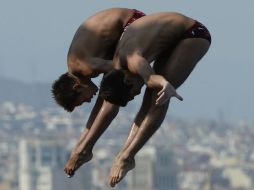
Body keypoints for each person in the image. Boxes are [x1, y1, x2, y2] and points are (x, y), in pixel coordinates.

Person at [99, 12, 211, 187]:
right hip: (172, 37)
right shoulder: (117, 67)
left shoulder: (133, 61)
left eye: (132, 93)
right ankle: (124, 154)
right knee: (151, 94)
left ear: (127, 80)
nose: (136, 94)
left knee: (157, 96)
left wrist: (165, 84)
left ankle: (126, 157)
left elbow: (152, 80)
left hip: (193, 33)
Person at [51, 8, 146, 177]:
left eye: (82, 100)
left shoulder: (83, 66)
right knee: (108, 92)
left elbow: (120, 73)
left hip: (132, 23)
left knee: (113, 95)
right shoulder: (77, 68)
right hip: (124, 29)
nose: (88, 101)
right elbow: (100, 102)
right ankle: (82, 149)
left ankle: (83, 150)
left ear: (77, 87)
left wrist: (83, 148)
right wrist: (81, 143)